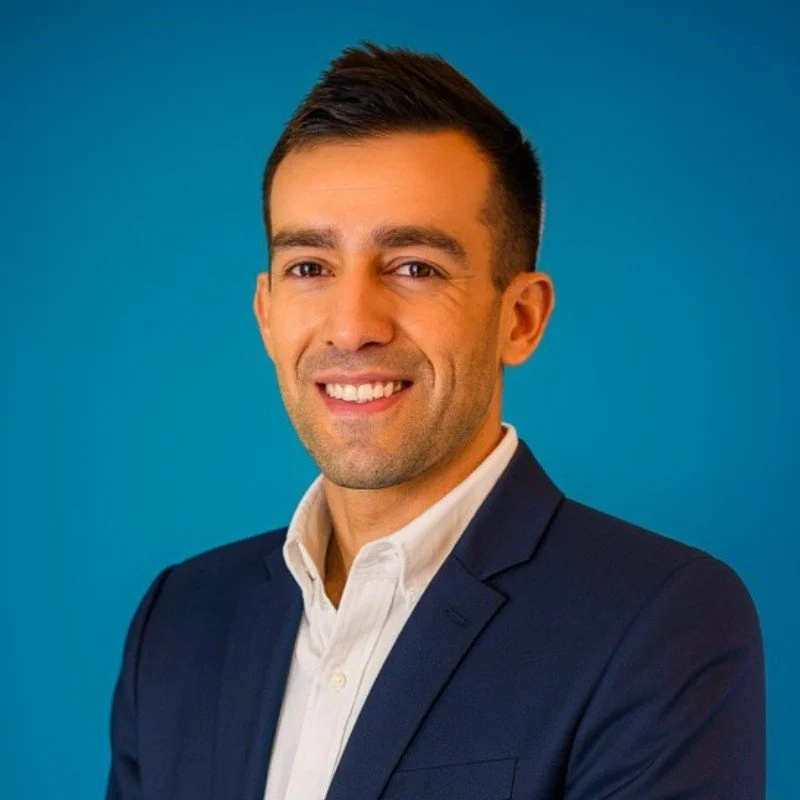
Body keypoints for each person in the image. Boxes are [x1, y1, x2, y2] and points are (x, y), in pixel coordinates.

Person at [105, 42, 765, 800]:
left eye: (414, 266)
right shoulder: (180, 620)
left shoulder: (661, 621)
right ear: (265, 312)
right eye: (310, 268)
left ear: (520, 318)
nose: (351, 327)